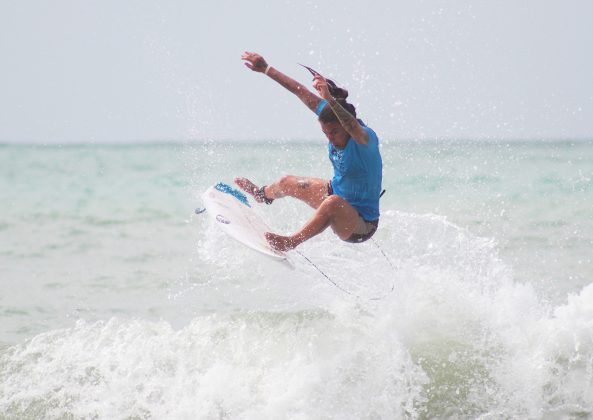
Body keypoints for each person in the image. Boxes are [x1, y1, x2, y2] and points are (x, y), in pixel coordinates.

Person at [237, 51, 383, 252]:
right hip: (337, 194)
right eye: (325, 132)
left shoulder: (364, 138)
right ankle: (261, 195)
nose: (329, 137)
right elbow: (299, 91)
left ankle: (291, 242)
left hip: (361, 225)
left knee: (332, 203)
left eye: (333, 132)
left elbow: (350, 125)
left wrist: (330, 99)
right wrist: (266, 69)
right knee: (285, 182)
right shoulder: (328, 114)